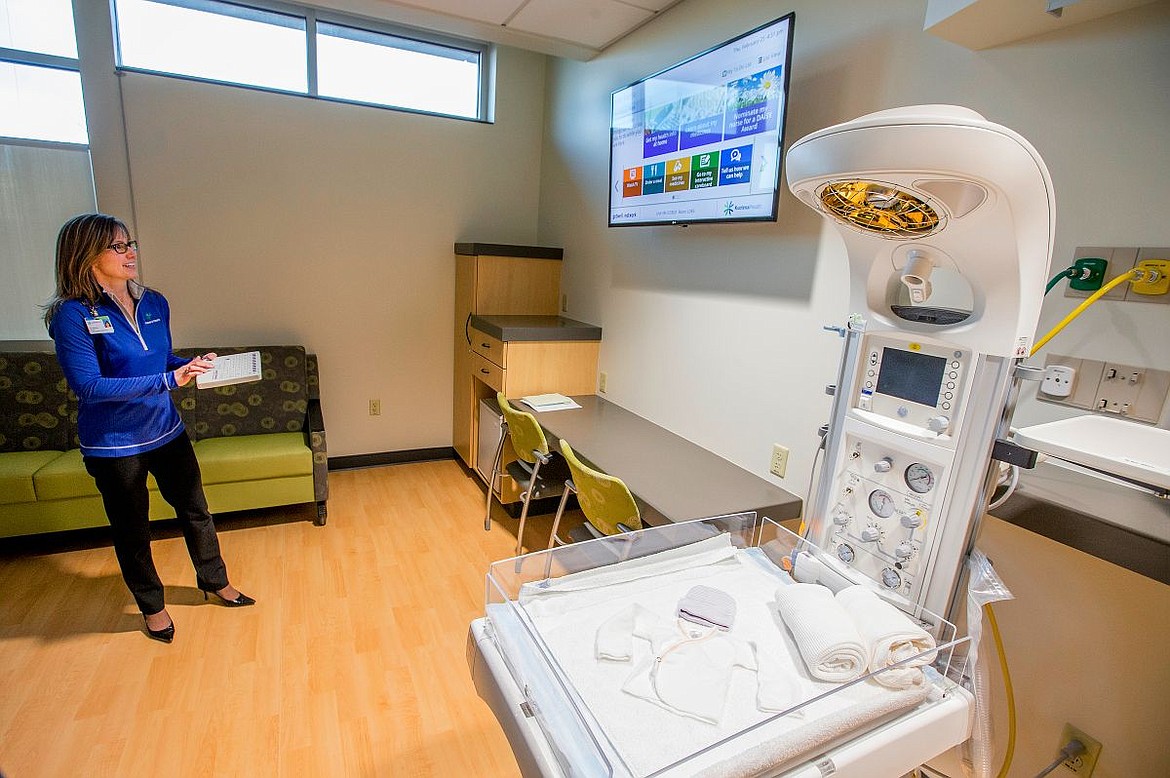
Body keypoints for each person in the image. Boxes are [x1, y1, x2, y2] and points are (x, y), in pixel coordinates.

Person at [44, 213, 254, 644]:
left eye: (130, 244)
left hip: (166, 430)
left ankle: (214, 582)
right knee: (133, 529)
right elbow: (89, 386)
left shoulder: (154, 302)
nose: (130, 252)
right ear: (86, 254)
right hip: (114, 445)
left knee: (195, 509)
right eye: (117, 247)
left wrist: (189, 366)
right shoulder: (71, 316)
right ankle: (152, 607)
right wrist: (167, 380)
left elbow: (158, 359)